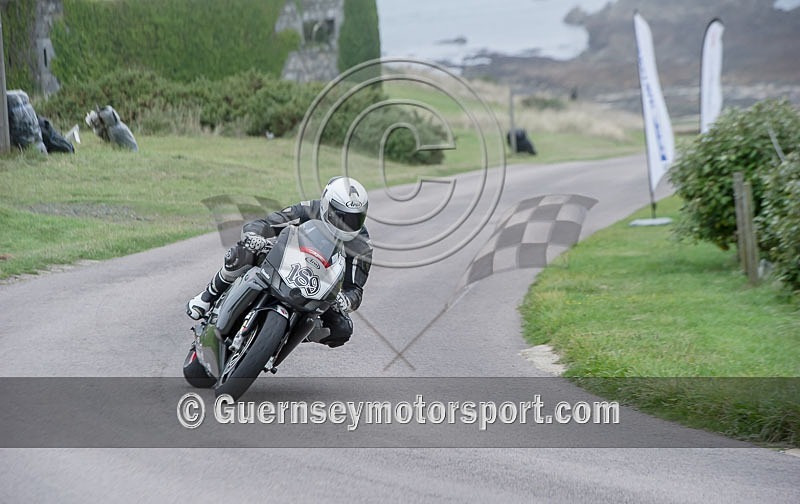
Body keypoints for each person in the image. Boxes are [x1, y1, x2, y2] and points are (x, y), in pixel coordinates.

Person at [187, 177, 372, 348]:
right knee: (242, 252)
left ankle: (289, 337)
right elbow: (270, 222)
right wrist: (254, 235)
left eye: (356, 219)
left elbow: (355, 288)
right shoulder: (309, 209)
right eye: (341, 216)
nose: (347, 224)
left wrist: (346, 300)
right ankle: (208, 296)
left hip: (319, 288)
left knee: (342, 328)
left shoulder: (362, 244)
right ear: (326, 206)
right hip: (284, 261)